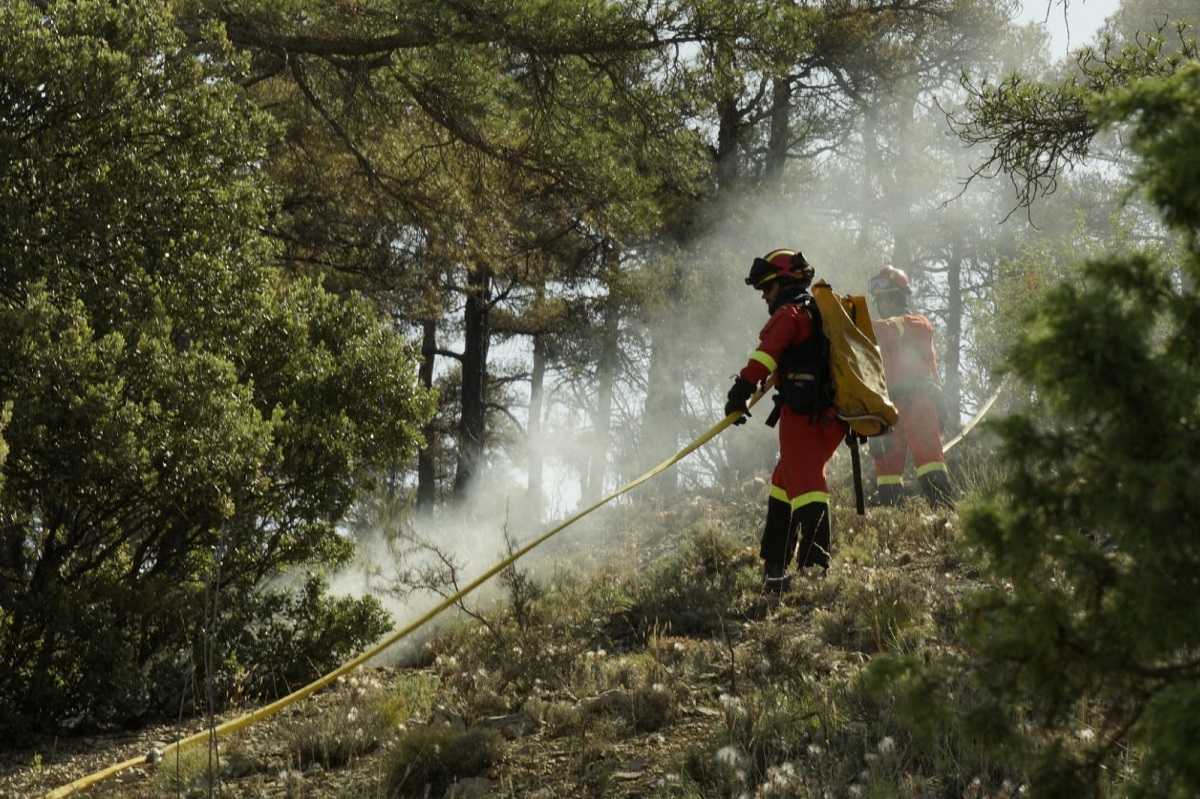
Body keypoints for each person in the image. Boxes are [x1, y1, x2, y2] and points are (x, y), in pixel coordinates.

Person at [724, 249, 848, 593]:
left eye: (767, 287)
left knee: (807, 485)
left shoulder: (790, 313)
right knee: (784, 481)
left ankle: (814, 571)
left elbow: (765, 355)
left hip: (804, 413)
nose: (764, 296)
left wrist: (739, 392)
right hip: (829, 414)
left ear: (785, 282)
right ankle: (774, 568)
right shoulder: (815, 312)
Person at [867, 266, 954, 509]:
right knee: (886, 475)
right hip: (889, 410)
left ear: (900, 298)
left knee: (930, 467)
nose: (884, 304)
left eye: (888, 298)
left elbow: (886, 329)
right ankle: (893, 524)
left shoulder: (917, 323)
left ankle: (945, 518)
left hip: (919, 403)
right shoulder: (879, 338)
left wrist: (846, 321)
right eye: (880, 300)